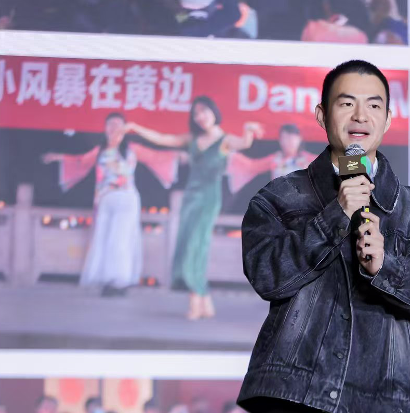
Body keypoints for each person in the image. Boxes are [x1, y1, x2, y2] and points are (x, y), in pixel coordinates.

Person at [238, 60, 410, 413]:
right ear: (322, 115)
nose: (361, 116)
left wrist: (386, 266)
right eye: (347, 103)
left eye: (373, 105)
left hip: (382, 408)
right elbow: (266, 274)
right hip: (298, 403)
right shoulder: (279, 198)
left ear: (388, 119)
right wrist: (333, 217)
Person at [125, 97, 264, 320]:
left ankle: (195, 300)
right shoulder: (192, 139)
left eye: (204, 111)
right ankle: (205, 300)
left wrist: (249, 129)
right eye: (196, 114)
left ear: (213, 112)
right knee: (185, 244)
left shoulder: (225, 140)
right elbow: (163, 139)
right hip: (190, 198)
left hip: (208, 199)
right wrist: (136, 128)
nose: (200, 117)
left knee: (196, 247)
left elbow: (245, 143)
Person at [42, 112, 179, 297]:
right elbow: (80, 161)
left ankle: (119, 281)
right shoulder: (100, 151)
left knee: (120, 239)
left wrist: (179, 156)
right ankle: (106, 279)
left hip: (126, 199)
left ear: (125, 129)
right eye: (110, 124)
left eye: (118, 124)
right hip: (105, 200)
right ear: (105, 128)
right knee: (104, 238)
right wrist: (58, 157)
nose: (113, 128)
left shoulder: (132, 149)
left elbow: (156, 156)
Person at [226, 123, 319, 193]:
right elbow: (252, 166)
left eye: (292, 138)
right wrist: (229, 153)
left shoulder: (308, 159)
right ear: (280, 140)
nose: (289, 141)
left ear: (299, 139)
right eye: (285, 138)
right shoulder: (275, 159)